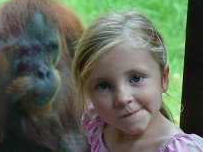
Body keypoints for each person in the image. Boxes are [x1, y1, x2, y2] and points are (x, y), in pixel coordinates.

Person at [72, 11, 203, 152]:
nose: (122, 98)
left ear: (163, 79)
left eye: (136, 78)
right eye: (103, 85)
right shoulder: (98, 125)